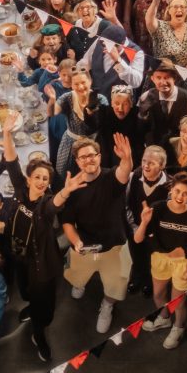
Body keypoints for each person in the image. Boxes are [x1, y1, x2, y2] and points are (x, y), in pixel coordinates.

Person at [0, 114, 63, 361]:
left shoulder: (46, 203)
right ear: (28, 179)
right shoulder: (20, 190)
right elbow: (11, 161)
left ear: (48, 184)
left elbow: (55, 204)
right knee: (25, 291)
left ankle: (39, 333)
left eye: (45, 179)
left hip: (41, 261)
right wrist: (6, 133)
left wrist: (66, 190)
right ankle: (29, 306)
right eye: (36, 177)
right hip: (19, 254)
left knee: (43, 305)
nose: (40, 181)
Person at [57, 134, 134, 334]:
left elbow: (124, 171)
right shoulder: (73, 187)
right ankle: (80, 285)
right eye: (83, 157)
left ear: (99, 157)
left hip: (114, 245)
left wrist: (127, 158)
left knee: (116, 284)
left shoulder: (112, 177)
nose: (89, 159)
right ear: (77, 161)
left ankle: (107, 305)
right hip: (84, 247)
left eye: (92, 155)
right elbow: (67, 222)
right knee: (75, 276)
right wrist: (76, 242)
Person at [136, 172, 187, 349]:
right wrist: (144, 223)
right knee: (158, 295)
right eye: (177, 191)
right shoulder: (158, 208)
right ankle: (165, 318)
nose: (180, 196)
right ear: (171, 190)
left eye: (185, 193)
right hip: (160, 258)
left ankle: (179, 327)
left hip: (184, 263)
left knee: (178, 302)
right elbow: (138, 239)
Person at [125, 145, 170, 297]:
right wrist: (134, 227)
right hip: (135, 226)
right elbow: (127, 204)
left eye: (151, 162)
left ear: (162, 166)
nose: (145, 165)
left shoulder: (170, 185)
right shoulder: (134, 177)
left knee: (153, 258)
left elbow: (169, 213)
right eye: (144, 160)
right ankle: (136, 277)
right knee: (136, 254)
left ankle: (149, 281)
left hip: (156, 233)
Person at [46, 65, 107, 176]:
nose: (80, 87)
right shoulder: (67, 98)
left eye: (83, 82)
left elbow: (104, 123)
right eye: (76, 84)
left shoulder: (101, 99)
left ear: (90, 81)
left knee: (91, 175)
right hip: (70, 144)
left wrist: (92, 115)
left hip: (93, 145)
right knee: (66, 174)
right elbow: (51, 113)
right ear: (71, 85)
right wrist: (52, 100)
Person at [138, 59, 187, 147]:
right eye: (159, 78)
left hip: (180, 154)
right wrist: (142, 116)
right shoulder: (145, 97)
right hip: (154, 153)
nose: (163, 82)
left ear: (174, 78)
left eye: (167, 77)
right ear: (152, 79)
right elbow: (140, 131)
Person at [145, 0, 187, 70]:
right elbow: (149, 20)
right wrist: (156, 0)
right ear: (169, 10)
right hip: (163, 78)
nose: (179, 10)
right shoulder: (161, 27)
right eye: (175, 7)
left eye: (182, 7)